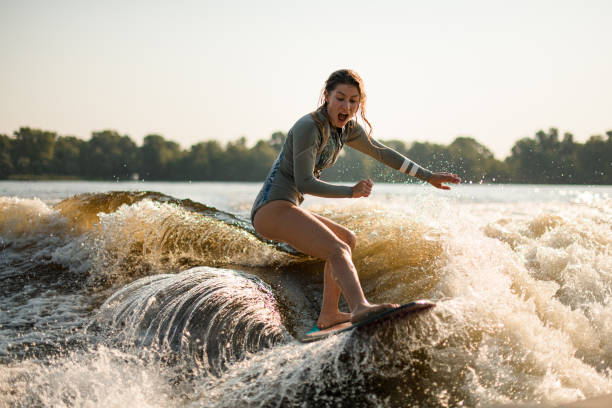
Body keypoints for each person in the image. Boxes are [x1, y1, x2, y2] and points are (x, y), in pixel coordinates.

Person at [251, 69, 461, 330]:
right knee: (337, 250)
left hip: (286, 206)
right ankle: (360, 307)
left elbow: (383, 153)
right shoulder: (309, 127)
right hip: (271, 209)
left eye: (353, 101)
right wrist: (351, 191)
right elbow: (305, 183)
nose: (346, 106)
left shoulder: (347, 129)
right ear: (326, 96)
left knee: (347, 240)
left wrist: (427, 176)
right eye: (340, 98)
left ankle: (329, 314)